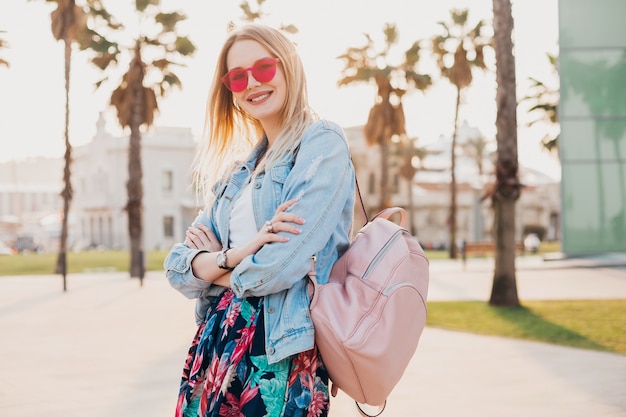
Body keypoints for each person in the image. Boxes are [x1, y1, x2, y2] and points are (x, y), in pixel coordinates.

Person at [164, 23, 356, 417]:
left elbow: (279, 269)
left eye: (264, 68)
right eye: (238, 76)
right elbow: (176, 267)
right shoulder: (238, 173)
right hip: (215, 346)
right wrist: (241, 253)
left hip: (278, 349)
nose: (252, 82)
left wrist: (217, 265)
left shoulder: (321, 144)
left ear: (288, 68)